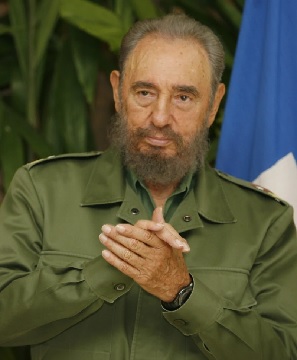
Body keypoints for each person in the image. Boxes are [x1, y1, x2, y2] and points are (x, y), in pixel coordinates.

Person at [0, 13, 297, 360]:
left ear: (213, 105)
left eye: (183, 98)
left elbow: (284, 351)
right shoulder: (42, 190)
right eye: (144, 92)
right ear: (117, 91)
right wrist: (107, 271)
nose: (159, 117)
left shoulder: (265, 221)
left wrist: (182, 291)